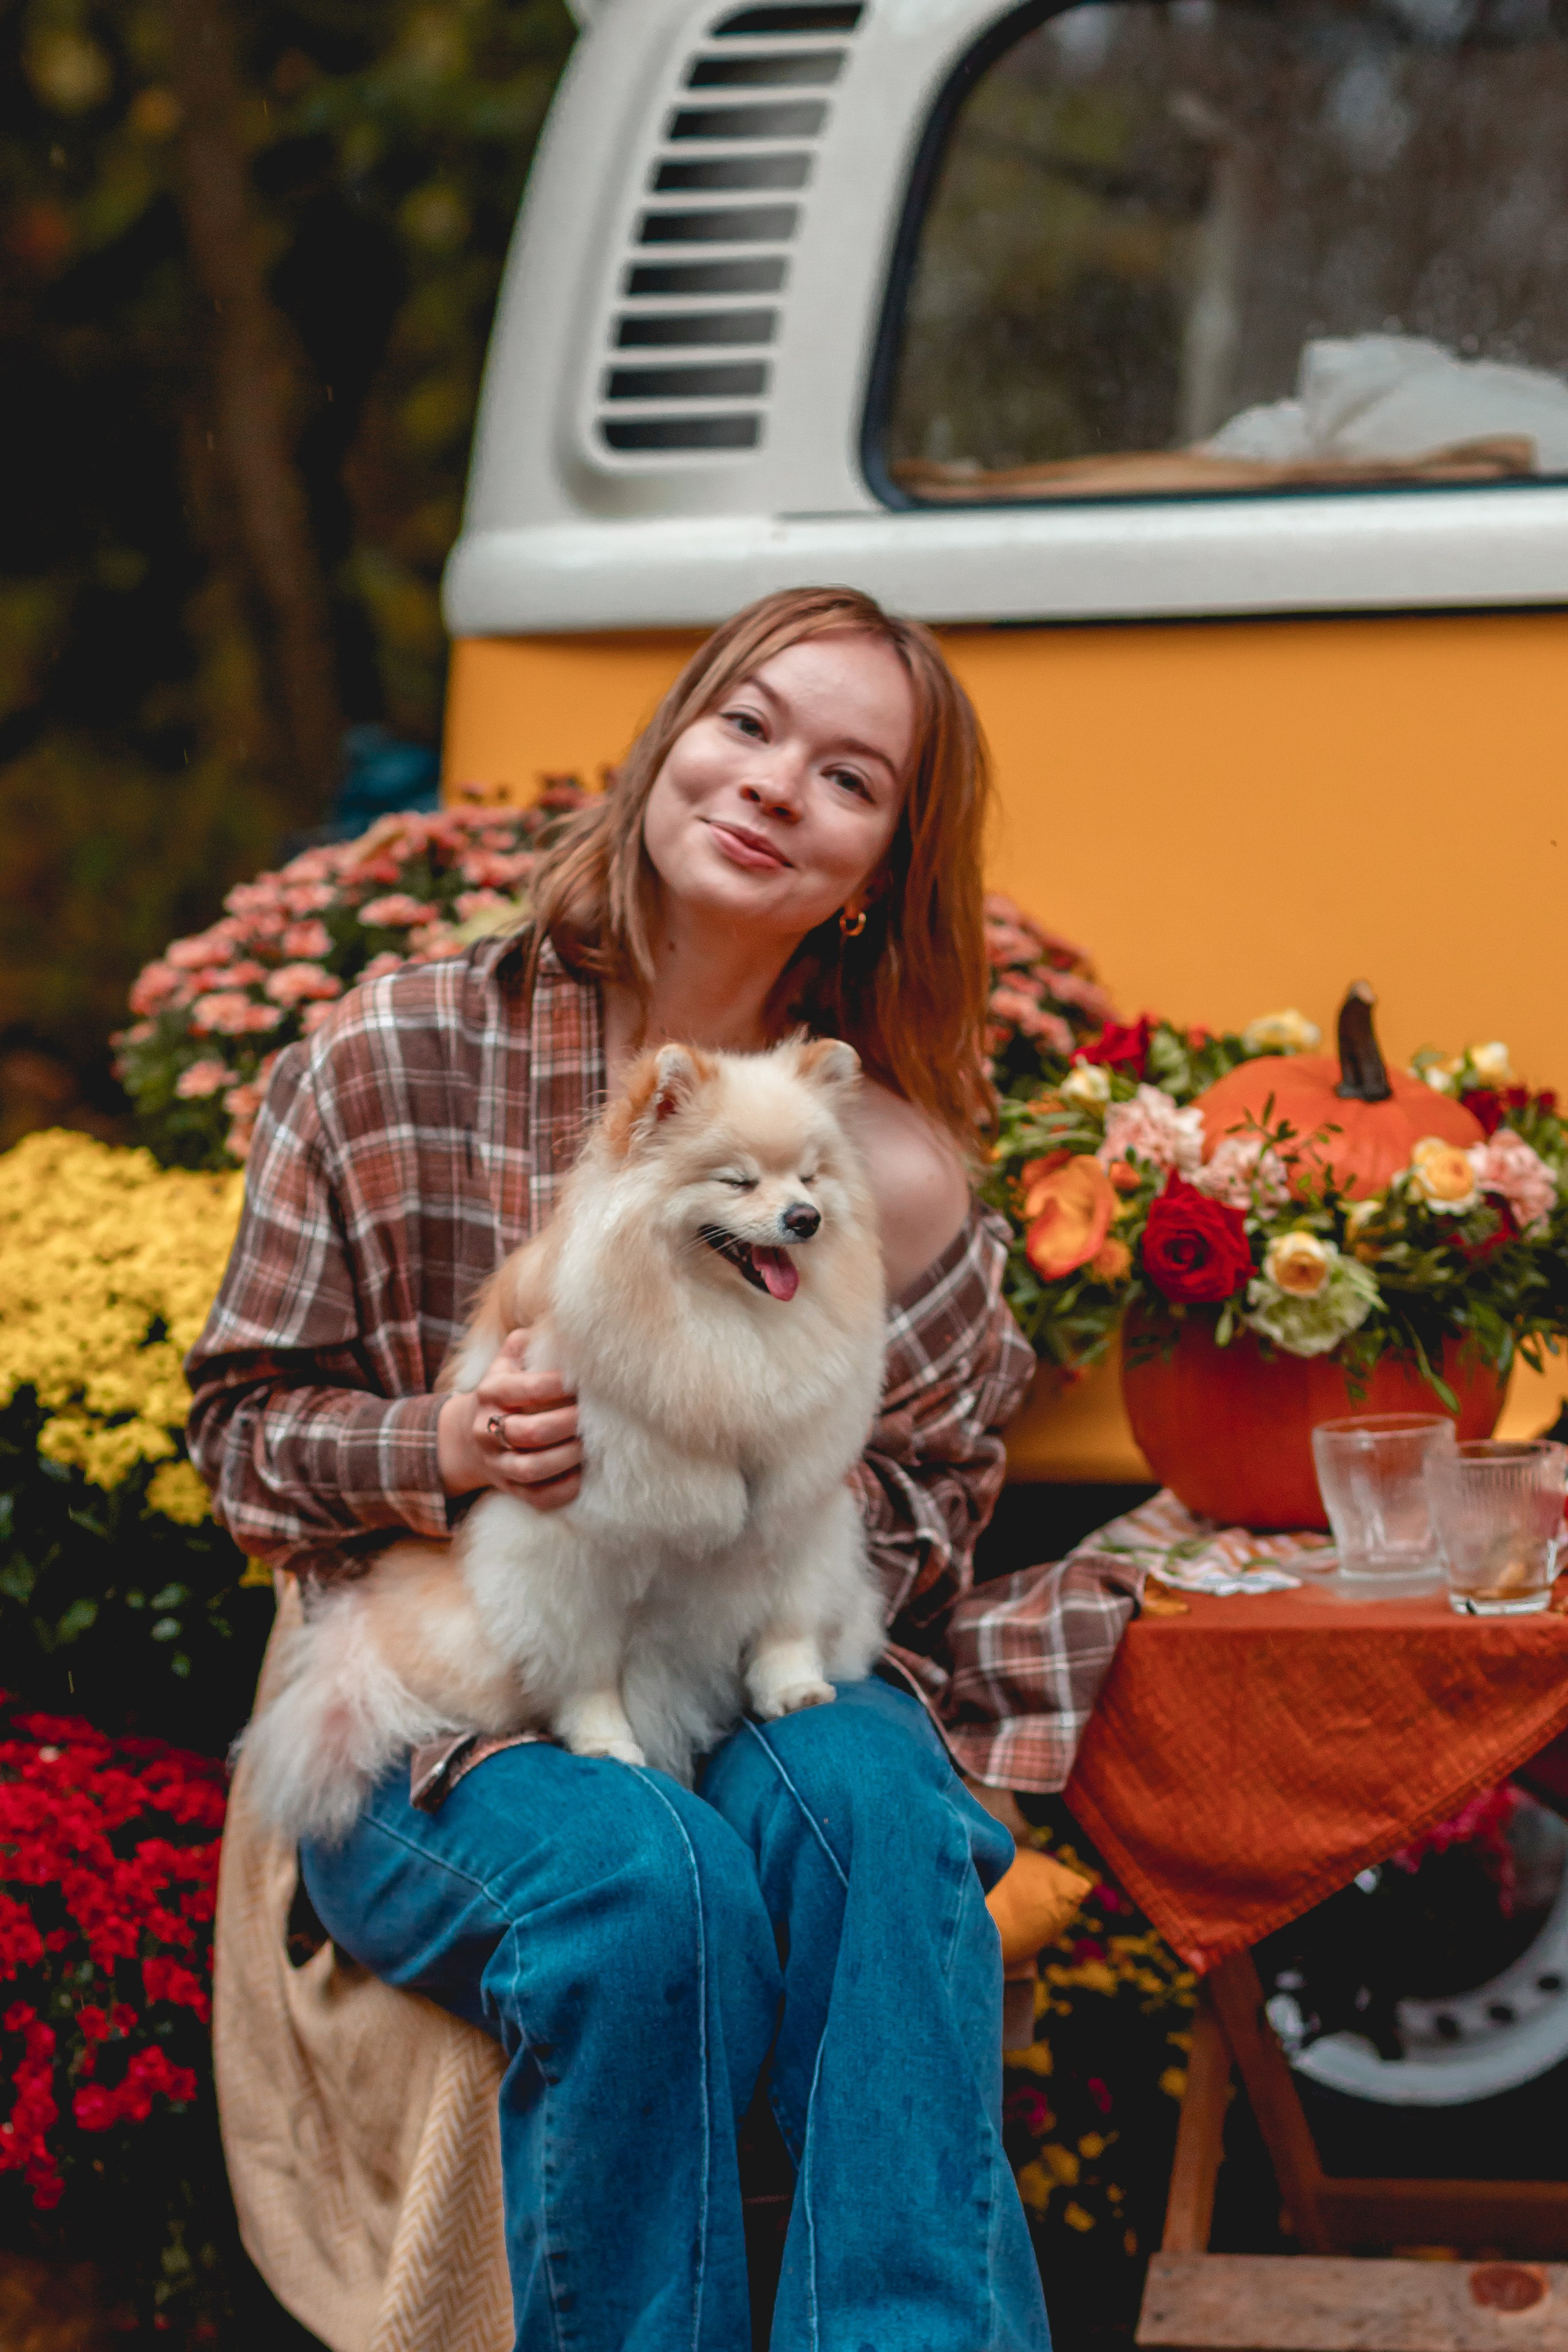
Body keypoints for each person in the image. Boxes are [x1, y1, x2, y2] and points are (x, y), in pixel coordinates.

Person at [188, 587, 1060, 2351]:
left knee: (889, 1828)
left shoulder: (874, 1154)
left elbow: (941, 1486)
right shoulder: (396, 1050)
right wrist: (445, 1442)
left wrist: (780, 1504)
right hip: (464, 1675)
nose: (770, 786)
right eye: (746, 724)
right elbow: (241, 1442)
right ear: (670, 739)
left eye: (848, 775)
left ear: (885, 858)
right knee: (636, 1880)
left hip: (751, 1656)